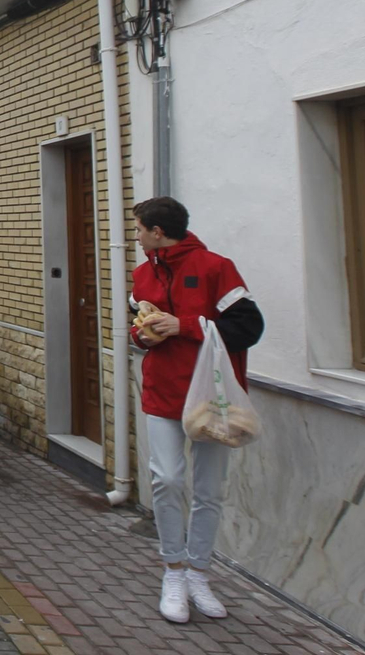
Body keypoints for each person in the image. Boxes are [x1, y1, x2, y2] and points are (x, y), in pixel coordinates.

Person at [130, 196, 263, 625]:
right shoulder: (141, 275)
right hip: (163, 393)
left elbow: (249, 327)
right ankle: (173, 571)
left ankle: (199, 575)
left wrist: (184, 325)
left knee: (209, 490)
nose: (135, 236)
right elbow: (137, 328)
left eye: (138, 229)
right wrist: (144, 337)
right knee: (166, 479)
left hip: (213, 399)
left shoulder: (215, 267)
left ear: (156, 231)